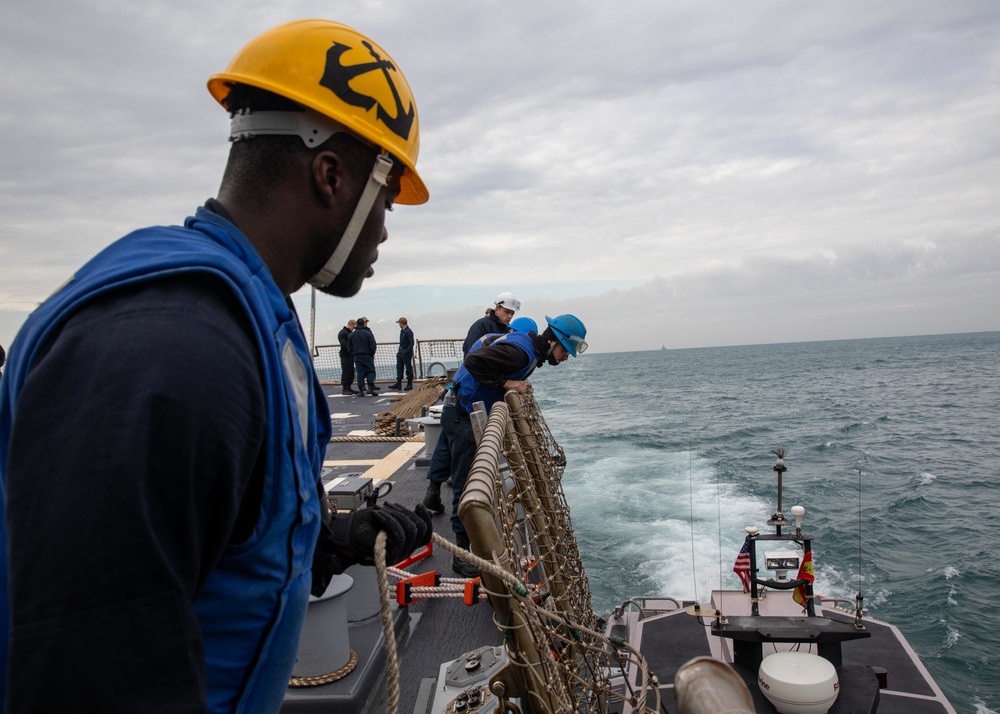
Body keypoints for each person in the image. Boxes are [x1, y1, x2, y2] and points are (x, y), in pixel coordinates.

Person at [0, 20, 433, 713]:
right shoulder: (171, 342)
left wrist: (327, 540)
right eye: (385, 198)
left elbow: (208, 529)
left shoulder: (249, 314)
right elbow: (86, 663)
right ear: (330, 176)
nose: (385, 226)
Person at [423, 314, 588, 577]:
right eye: (565, 351)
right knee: (466, 484)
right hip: (464, 415)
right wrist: (505, 383)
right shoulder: (521, 353)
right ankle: (462, 555)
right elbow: (473, 361)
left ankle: (434, 502)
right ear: (554, 341)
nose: (566, 357)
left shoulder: (527, 349)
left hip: (459, 408)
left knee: (455, 466)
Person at [461, 291, 520, 356]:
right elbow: (471, 352)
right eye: (506, 312)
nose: (510, 316)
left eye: (512, 313)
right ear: (497, 310)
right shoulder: (481, 326)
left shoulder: (509, 330)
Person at [349, 316, 379, 396]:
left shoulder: (352, 335)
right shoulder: (368, 333)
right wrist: (371, 354)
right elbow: (373, 345)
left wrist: (353, 354)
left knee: (360, 373)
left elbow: (349, 347)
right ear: (363, 323)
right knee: (371, 371)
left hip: (357, 356)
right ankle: (370, 387)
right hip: (367, 355)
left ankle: (361, 390)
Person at [389, 317, 414, 390]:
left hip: (406, 352)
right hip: (401, 351)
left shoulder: (408, 331)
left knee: (408, 367)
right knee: (399, 367)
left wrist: (407, 351)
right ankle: (398, 383)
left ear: (401, 323)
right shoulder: (402, 331)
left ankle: (409, 383)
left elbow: (411, 343)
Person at [338, 319, 358, 394]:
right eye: (353, 326)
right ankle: (345, 388)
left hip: (350, 355)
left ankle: (349, 387)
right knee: (346, 371)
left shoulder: (350, 333)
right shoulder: (342, 333)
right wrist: (352, 348)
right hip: (345, 355)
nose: (353, 328)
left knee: (351, 371)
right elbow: (344, 344)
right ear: (349, 324)